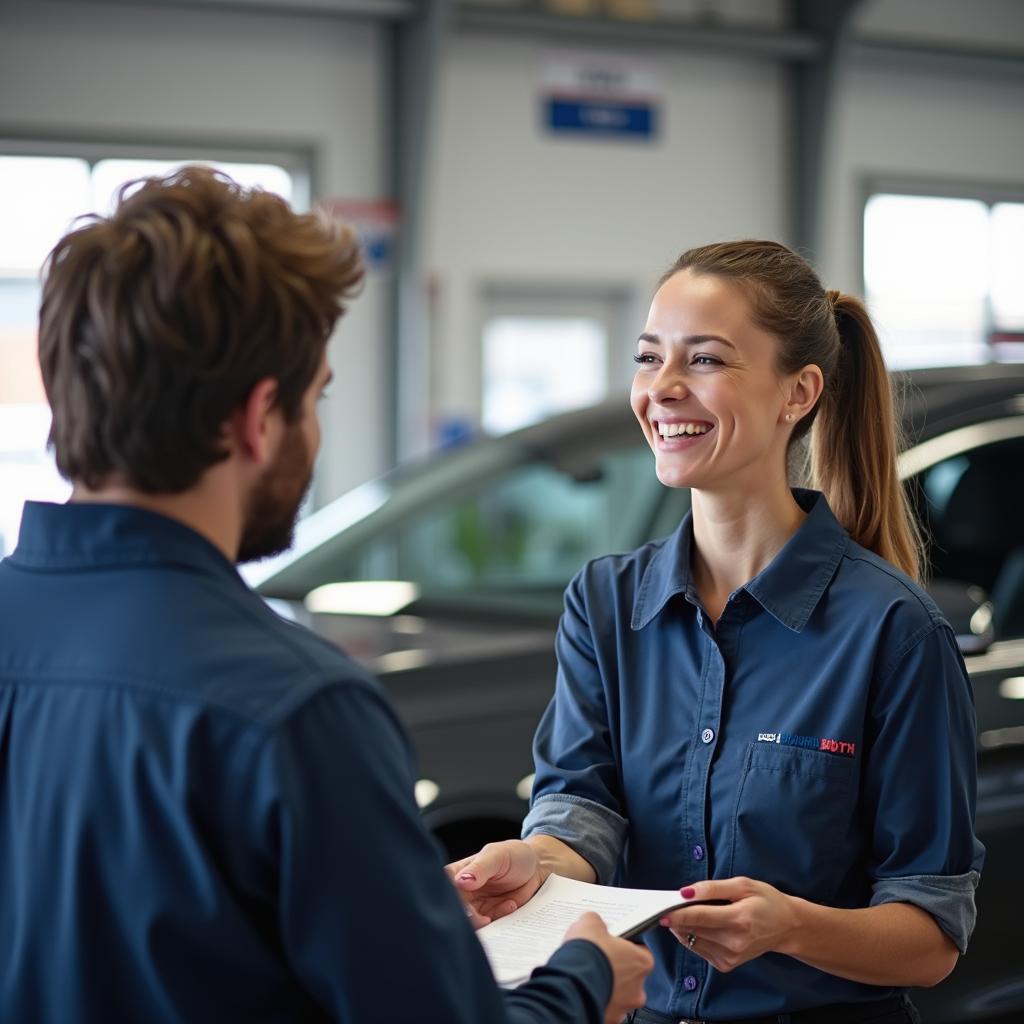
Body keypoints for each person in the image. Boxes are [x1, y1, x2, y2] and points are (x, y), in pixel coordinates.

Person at [0, 166, 653, 1024]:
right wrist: (583, 981)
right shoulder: (295, 709)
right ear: (257, 416)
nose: (313, 430)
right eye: (315, 398)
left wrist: (392, 924)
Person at [451, 240, 985, 1024]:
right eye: (648, 358)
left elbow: (931, 934)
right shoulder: (605, 603)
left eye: (703, 361)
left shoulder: (895, 632)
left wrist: (795, 927)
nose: (662, 389)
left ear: (797, 392)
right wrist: (533, 861)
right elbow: (583, 812)